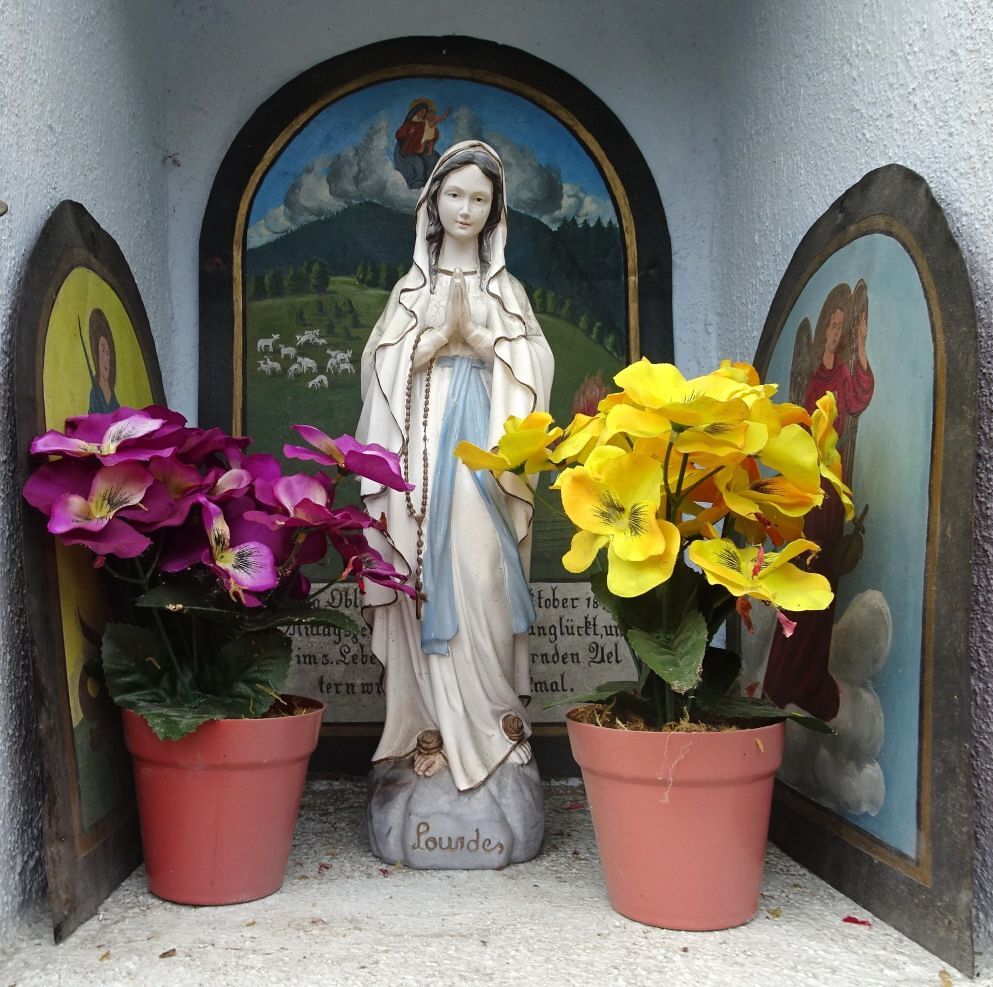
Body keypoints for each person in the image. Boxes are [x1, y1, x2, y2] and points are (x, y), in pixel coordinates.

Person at [356, 141, 554, 791]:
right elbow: (378, 371)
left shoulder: (507, 291)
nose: (465, 209)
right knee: (423, 569)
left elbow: (537, 368)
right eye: (454, 195)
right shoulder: (412, 291)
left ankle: (493, 721)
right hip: (420, 449)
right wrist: (437, 340)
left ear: (495, 211)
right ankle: (430, 727)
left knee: (481, 567)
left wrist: (488, 343)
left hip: (483, 451)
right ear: (432, 202)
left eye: (479, 198)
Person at [763, 282, 874, 720]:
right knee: (801, 572)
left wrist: (862, 344)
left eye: (842, 326)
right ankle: (785, 676)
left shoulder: (843, 374)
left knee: (823, 575)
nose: (835, 331)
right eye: (833, 323)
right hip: (805, 487)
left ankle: (809, 678)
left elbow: (861, 395)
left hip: (829, 490)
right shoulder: (812, 377)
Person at [87, 308, 120, 414]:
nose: (107, 358)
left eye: (108, 353)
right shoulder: (95, 394)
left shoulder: (114, 401)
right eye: (102, 350)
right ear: (96, 355)